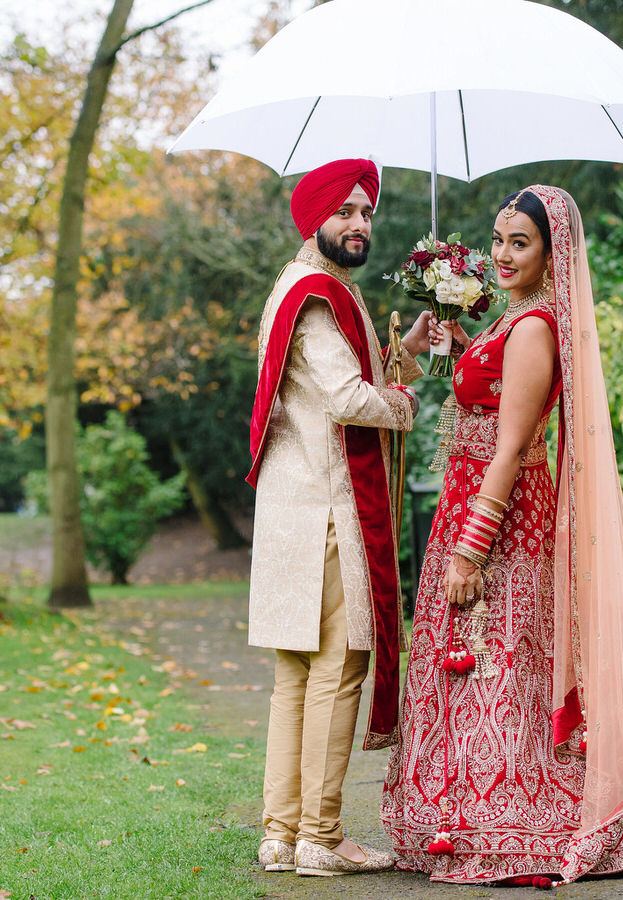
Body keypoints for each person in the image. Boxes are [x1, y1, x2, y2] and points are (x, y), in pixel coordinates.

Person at [381, 185, 623, 885]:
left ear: (552, 253)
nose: (503, 255)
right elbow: (484, 399)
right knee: (480, 659)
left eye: (521, 243)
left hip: (503, 517)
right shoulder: (510, 320)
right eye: (499, 239)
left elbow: (512, 445)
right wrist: (454, 345)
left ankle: (526, 822)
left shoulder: (536, 327)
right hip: (469, 499)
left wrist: (471, 546)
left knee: (500, 653)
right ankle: (471, 816)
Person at [247, 158, 433, 877]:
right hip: (327, 511)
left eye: (367, 213)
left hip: (290, 506)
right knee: (339, 666)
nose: (360, 225)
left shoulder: (301, 289)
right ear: (314, 218)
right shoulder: (320, 295)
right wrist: (408, 406)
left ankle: (283, 833)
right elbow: (350, 398)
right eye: (346, 212)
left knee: (296, 672)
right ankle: (321, 838)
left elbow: (355, 377)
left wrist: (408, 352)